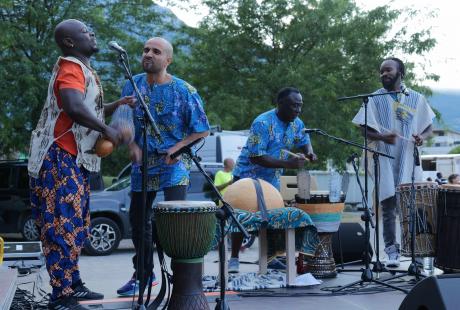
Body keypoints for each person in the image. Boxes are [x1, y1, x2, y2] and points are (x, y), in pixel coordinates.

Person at [28, 19, 136, 310]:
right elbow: (74, 107)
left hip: (74, 160)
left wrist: (118, 104)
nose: (92, 34)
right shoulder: (70, 68)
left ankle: (72, 285)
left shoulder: (82, 69)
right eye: (86, 32)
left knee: (77, 225)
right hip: (58, 157)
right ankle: (61, 296)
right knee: (61, 226)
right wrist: (109, 130)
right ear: (70, 42)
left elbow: (87, 108)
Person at [116, 37, 210, 296]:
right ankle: (144, 275)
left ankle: (183, 278)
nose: (148, 54)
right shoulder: (131, 85)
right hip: (143, 162)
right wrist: (131, 146)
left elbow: (201, 130)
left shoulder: (184, 90)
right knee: (138, 221)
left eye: (155, 51)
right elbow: (123, 121)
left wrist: (178, 148)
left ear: (168, 60)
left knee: (175, 221)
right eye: (146, 50)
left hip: (174, 163)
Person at [352, 57, 435, 267]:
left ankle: (415, 253)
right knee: (388, 207)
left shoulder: (415, 98)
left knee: (411, 208)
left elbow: (429, 127)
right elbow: (363, 128)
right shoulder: (373, 98)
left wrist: (422, 138)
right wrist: (382, 137)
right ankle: (391, 252)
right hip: (384, 158)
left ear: (401, 73)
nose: (383, 74)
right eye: (381, 72)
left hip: (408, 159)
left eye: (388, 70)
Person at [228, 87, 316, 273]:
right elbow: (256, 157)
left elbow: (304, 140)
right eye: (294, 106)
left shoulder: (296, 123)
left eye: (300, 106)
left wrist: (309, 151)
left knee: (272, 219)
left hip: (271, 179)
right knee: (240, 218)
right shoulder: (262, 123)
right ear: (281, 104)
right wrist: (289, 164)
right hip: (247, 177)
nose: (298, 110)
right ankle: (234, 258)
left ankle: (269, 258)